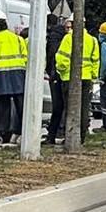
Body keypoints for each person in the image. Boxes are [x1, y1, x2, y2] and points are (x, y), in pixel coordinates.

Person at [50, 19, 98, 145]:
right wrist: (92, 78)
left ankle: (70, 137)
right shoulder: (92, 40)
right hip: (86, 78)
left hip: (69, 78)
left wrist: (61, 72)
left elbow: (61, 59)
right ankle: (81, 137)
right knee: (83, 109)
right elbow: (96, 61)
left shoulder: (68, 38)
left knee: (70, 109)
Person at [0, 11, 28, 145]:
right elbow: (25, 57)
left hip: (1, 75)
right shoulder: (18, 39)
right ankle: (21, 134)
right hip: (18, 75)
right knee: (21, 106)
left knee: (1, 107)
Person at [44, 13, 69, 145]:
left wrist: (50, 73)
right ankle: (61, 132)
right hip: (66, 77)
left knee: (57, 107)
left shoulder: (53, 39)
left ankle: (52, 135)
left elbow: (50, 58)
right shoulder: (65, 39)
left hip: (55, 77)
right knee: (66, 107)